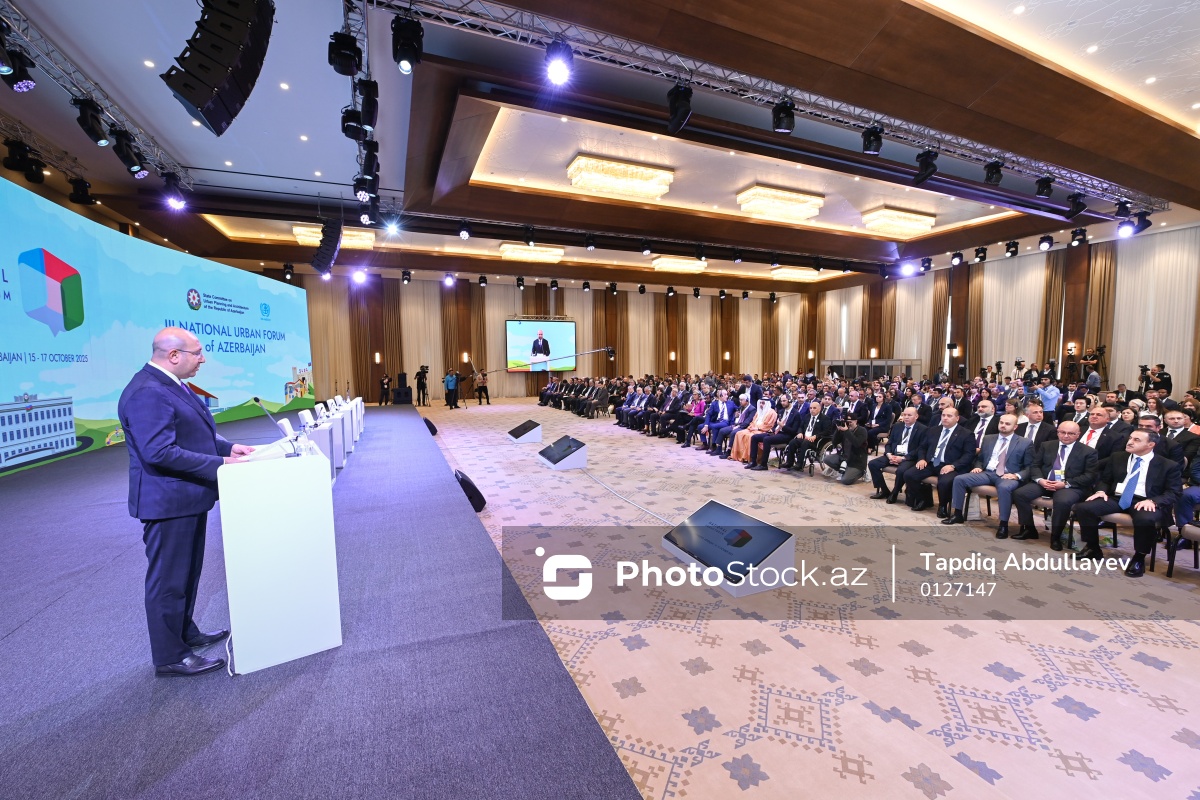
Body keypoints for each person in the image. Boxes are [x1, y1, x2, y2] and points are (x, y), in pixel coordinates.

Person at [117, 327, 255, 677]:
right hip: (168, 502)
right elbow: (159, 451)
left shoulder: (171, 384)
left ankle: (184, 634)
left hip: (186, 498)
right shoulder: (147, 392)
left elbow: (194, 433)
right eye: (198, 353)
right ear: (174, 355)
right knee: (168, 580)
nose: (203, 359)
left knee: (187, 574)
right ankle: (170, 655)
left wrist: (229, 448)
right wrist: (221, 463)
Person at [1073, 430, 1182, 576]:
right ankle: (1093, 547)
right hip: (1118, 497)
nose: (1130, 442)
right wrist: (1101, 491)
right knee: (1084, 508)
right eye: (1130, 438)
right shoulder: (1118, 457)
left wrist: (1154, 501)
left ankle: (1139, 558)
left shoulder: (1168, 465)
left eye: (1137, 440)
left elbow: (1174, 492)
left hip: (1145, 501)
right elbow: (1106, 480)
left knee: (1146, 519)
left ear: (1150, 445)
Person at [943, 414, 1033, 537]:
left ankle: (1003, 525)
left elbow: (1029, 466)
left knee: (1004, 488)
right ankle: (957, 514)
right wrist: (978, 466)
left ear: (1015, 427)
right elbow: (980, 459)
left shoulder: (1025, 442)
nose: (1003, 425)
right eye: (1001, 422)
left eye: (1007, 424)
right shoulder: (988, 438)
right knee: (959, 479)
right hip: (987, 473)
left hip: (1008, 475)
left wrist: (1017, 475)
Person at [868, 406, 925, 502]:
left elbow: (920, 449)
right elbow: (889, 443)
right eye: (904, 415)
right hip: (893, 454)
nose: (906, 417)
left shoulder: (922, 429)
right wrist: (889, 454)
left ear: (916, 416)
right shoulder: (897, 426)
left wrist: (903, 458)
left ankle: (895, 492)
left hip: (909, 457)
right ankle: (884, 490)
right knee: (873, 464)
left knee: (901, 470)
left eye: (909, 415)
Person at [820, 415, 868, 484]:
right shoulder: (845, 430)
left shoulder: (862, 430)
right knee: (827, 459)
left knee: (845, 480)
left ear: (856, 421)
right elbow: (834, 442)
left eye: (850, 422)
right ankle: (844, 470)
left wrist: (847, 431)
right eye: (847, 422)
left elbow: (857, 443)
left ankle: (861, 472)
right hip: (844, 457)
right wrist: (838, 430)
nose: (848, 424)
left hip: (856, 461)